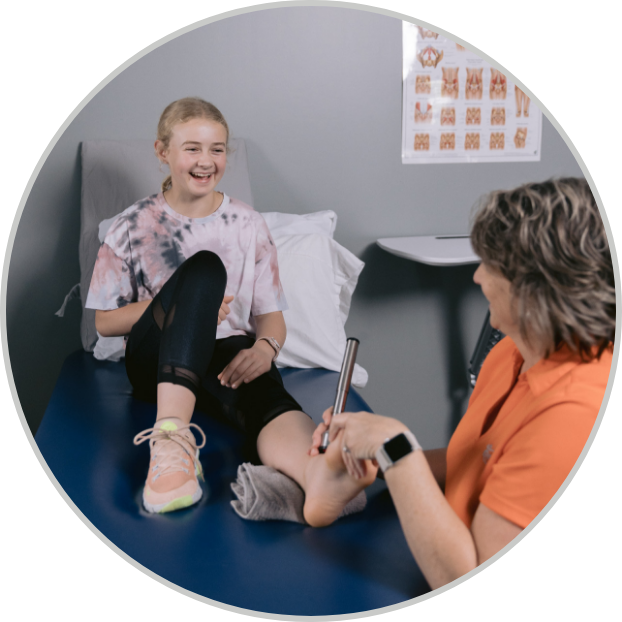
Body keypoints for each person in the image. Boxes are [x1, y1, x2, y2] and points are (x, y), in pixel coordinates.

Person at [310, 177, 614, 589]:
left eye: (490, 265)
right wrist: (374, 456)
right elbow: (475, 460)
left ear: (532, 288)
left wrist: (394, 444)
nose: (477, 278)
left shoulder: (577, 414)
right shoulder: (513, 352)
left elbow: (473, 581)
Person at [86, 97, 375, 523]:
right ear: (162, 151)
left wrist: (265, 350)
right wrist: (181, 307)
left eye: (217, 149)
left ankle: (318, 477)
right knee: (204, 269)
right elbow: (104, 323)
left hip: (225, 353)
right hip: (155, 359)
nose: (206, 161)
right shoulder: (131, 225)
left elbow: (270, 316)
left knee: (264, 393)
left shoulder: (248, 224)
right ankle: (171, 440)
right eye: (192, 149)